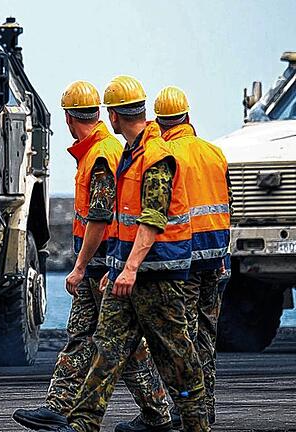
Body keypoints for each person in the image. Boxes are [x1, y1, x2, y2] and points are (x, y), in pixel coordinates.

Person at [17, 75, 209, 432]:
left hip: (159, 274)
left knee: (176, 354)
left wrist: (120, 266)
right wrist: (118, 266)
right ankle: (81, 423)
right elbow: (124, 218)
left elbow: (148, 218)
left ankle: (191, 421)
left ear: (116, 115)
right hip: (125, 271)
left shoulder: (149, 156)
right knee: (107, 346)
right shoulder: (128, 154)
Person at [117, 87, 231, 431]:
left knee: (180, 340)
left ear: (159, 121)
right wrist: (223, 254)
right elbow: (228, 205)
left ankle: (186, 412)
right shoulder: (215, 153)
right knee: (206, 337)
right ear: (188, 116)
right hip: (215, 256)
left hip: (185, 261)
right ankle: (204, 408)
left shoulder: (166, 154)